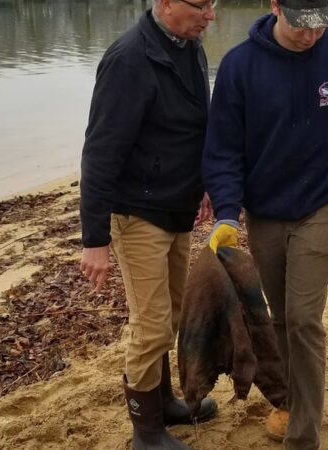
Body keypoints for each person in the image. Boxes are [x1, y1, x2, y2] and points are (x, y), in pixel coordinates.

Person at [202, 0, 328, 447]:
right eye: (302, 27)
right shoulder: (240, 66)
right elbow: (223, 149)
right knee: (279, 318)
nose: (311, 36)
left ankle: (304, 437)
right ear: (276, 6)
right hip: (265, 211)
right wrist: (226, 211)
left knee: (303, 319)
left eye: (320, 27)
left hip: (323, 203)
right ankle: (292, 403)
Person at [78, 0, 219, 447]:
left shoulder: (191, 46)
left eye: (213, 3)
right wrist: (94, 240)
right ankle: (147, 432)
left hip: (177, 206)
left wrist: (207, 183)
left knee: (173, 313)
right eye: (201, 4)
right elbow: (99, 153)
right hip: (137, 212)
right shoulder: (128, 60)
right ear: (165, 3)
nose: (210, 14)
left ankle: (164, 404)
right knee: (151, 323)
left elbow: (195, 126)